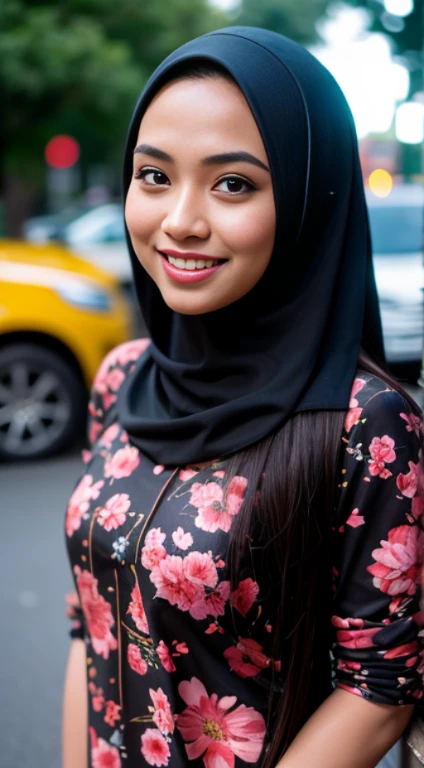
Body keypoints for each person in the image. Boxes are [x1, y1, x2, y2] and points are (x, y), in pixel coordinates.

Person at [62, 26, 424, 768]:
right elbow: (89, 622)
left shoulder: (369, 424)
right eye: (155, 176)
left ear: (306, 199)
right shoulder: (121, 378)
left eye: (233, 183)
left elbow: (379, 692)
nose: (182, 220)